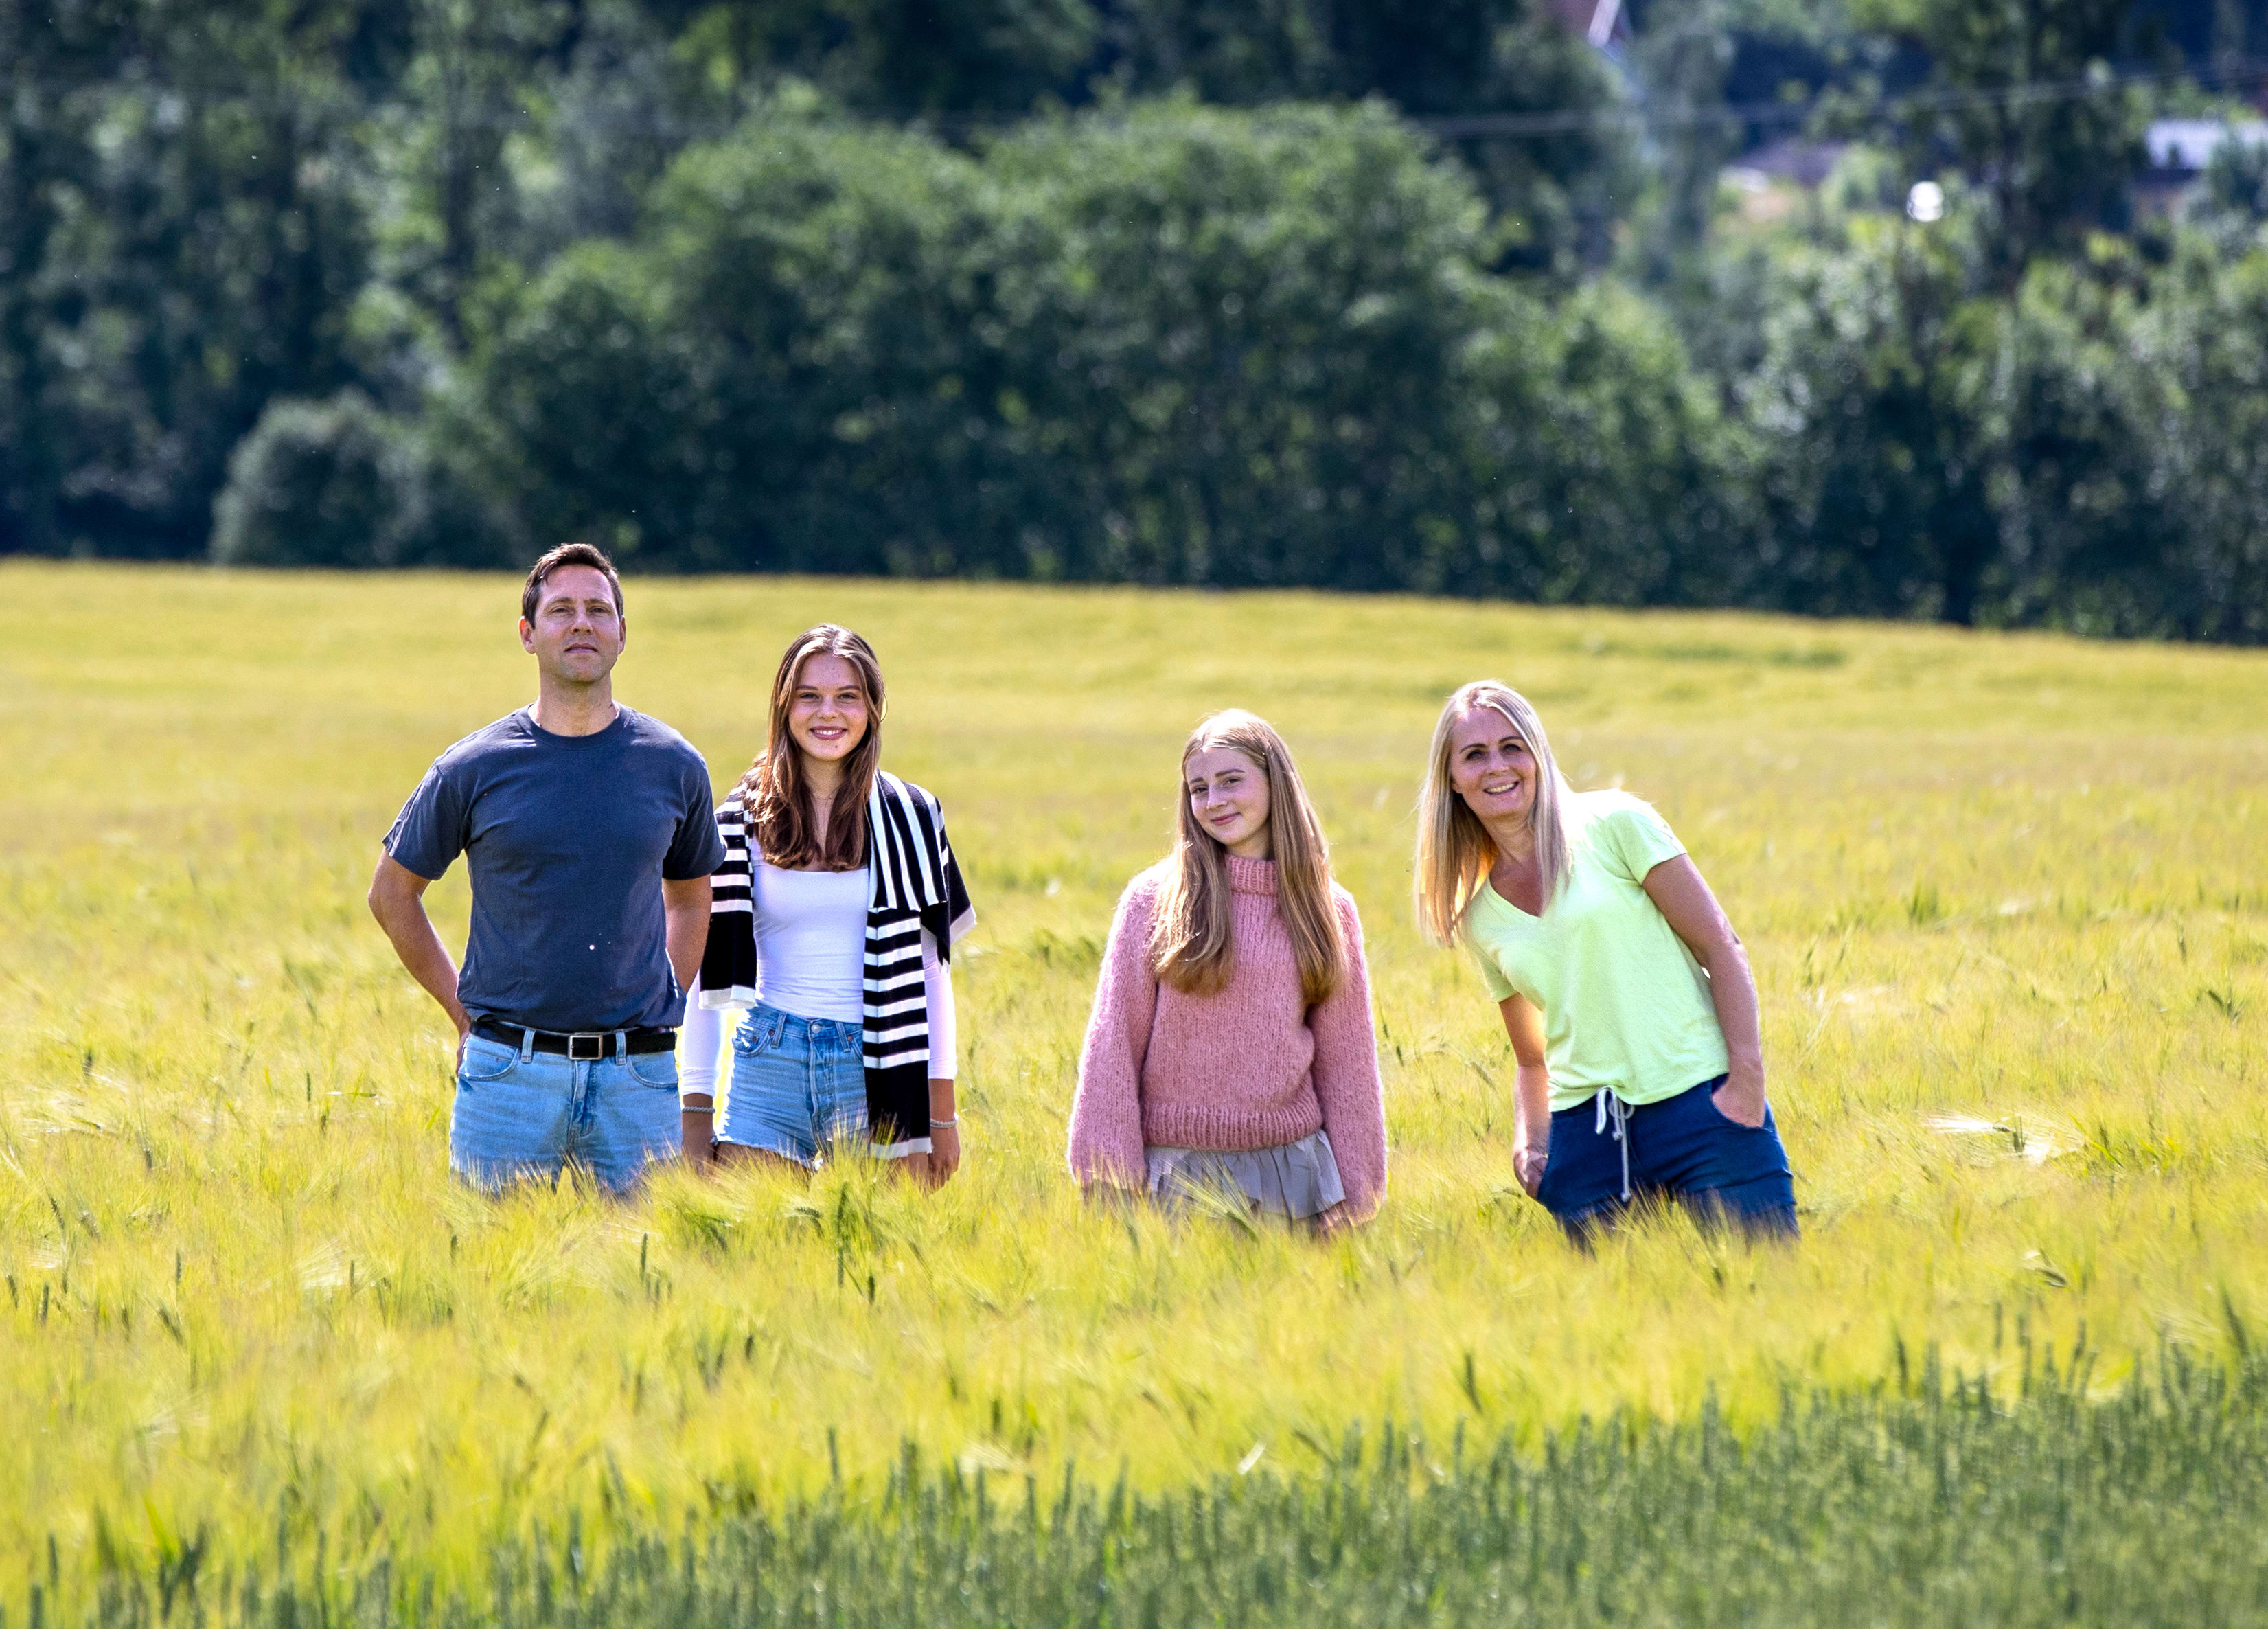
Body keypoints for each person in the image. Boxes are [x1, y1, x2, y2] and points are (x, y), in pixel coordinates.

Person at [367, 543, 724, 1193]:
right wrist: (464, 1016)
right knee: (487, 1255)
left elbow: (691, 898)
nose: (582, 623)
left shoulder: (674, 765)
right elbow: (392, 892)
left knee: (643, 1259)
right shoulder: (473, 767)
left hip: (637, 1078)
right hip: (508, 1075)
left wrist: (662, 1000)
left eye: (598, 610)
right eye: (561, 610)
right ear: (528, 634)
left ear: (622, 633)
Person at [1414, 681, 1796, 1242]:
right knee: (1618, 1301)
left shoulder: (1616, 823)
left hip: (1702, 1107)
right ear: (1451, 779)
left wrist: (1745, 1084)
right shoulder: (1478, 919)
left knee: (1763, 1281)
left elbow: (1719, 946)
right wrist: (1529, 1144)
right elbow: (1531, 1057)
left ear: (1537, 754)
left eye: (1512, 746)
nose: (1496, 766)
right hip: (1586, 1138)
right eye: (1474, 755)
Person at [1068, 709, 1386, 1229]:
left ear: (1275, 780)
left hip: (1296, 1178)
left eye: (1231, 781)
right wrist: (1107, 1174)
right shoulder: (1153, 900)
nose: (1213, 800)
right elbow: (1113, 1042)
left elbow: (1348, 1065)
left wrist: (1360, 1197)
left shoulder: (1328, 908)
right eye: (1199, 788)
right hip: (1175, 1178)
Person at [680, 626, 974, 1186]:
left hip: (882, 1059)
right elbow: (705, 979)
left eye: (847, 696)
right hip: (769, 1056)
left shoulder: (913, 816)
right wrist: (695, 1111)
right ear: (783, 706)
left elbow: (931, 974)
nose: (828, 713)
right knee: (757, 1235)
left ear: (872, 708)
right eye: (809, 696)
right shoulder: (738, 819)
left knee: (879, 1238)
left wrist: (942, 1113)